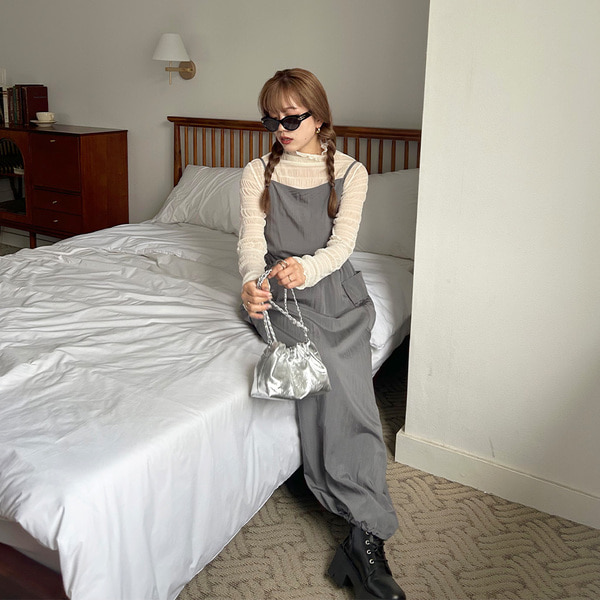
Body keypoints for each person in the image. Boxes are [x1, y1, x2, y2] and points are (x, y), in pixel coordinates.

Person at [238, 68, 405, 600]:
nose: (281, 129)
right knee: (323, 367)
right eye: (271, 120)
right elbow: (250, 243)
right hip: (279, 293)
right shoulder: (256, 171)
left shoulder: (352, 171)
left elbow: (342, 247)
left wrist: (307, 269)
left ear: (319, 117)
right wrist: (251, 284)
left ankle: (361, 527)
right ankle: (363, 529)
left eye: (291, 118)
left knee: (343, 379)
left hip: (331, 286)